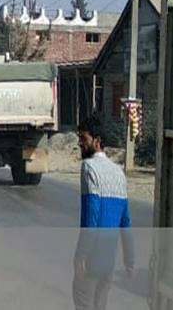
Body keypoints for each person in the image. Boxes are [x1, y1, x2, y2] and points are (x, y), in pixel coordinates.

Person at [73, 115, 135, 310]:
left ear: (97, 141)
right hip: (109, 262)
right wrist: (129, 259)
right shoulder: (118, 172)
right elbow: (125, 221)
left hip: (91, 259)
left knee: (83, 302)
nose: (79, 143)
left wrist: (81, 255)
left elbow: (91, 217)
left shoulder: (88, 167)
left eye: (83, 138)